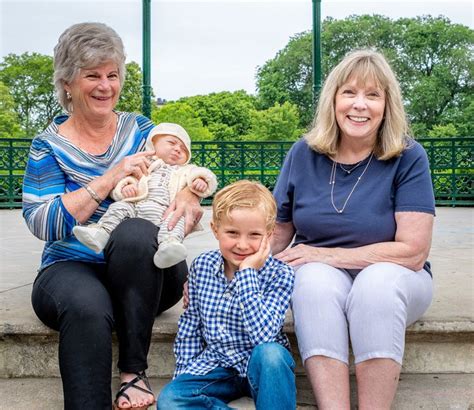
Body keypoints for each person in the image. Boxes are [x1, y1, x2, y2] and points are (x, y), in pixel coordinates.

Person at [22, 22, 203, 410]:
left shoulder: (142, 131)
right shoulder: (47, 147)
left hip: (146, 274)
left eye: (112, 75)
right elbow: (42, 222)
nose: (105, 86)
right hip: (71, 266)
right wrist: (107, 180)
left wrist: (187, 193)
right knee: (88, 305)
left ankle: (133, 374)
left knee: (137, 232)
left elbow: (180, 172)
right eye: (92, 76)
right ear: (67, 83)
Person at [272, 49, 435, 409]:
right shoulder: (303, 153)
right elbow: (276, 236)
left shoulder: (409, 156)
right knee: (311, 279)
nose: (359, 105)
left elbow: (412, 251)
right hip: (323, 274)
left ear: (386, 105)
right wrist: (224, 274)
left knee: (375, 284)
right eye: (349, 93)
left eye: (372, 95)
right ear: (333, 99)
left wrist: (327, 253)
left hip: (397, 276)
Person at [157, 180, 296, 410]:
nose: (242, 245)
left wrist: (247, 274)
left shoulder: (280, 274)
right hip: (217, 365)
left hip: (262, 367)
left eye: (254, 235)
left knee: (272, 354)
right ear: (215, 230)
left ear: (269, 235)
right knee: (171, 400)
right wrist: (184, 377)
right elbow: (191, 326)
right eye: (232, 232)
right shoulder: (202, 266)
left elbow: (264, 337)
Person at [73, 122, 217, 269]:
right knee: (118, 207)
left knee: (175, 223)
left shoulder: (186, 170)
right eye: (172, 143)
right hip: (137, 205)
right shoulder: (144, 163)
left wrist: (200, 181)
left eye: (183, 149)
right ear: (153, 144)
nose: (177, 149)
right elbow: (125, 180)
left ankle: (169, 247)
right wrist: (126, 187)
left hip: (165, 211)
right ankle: (101, 232)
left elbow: (205, 175)